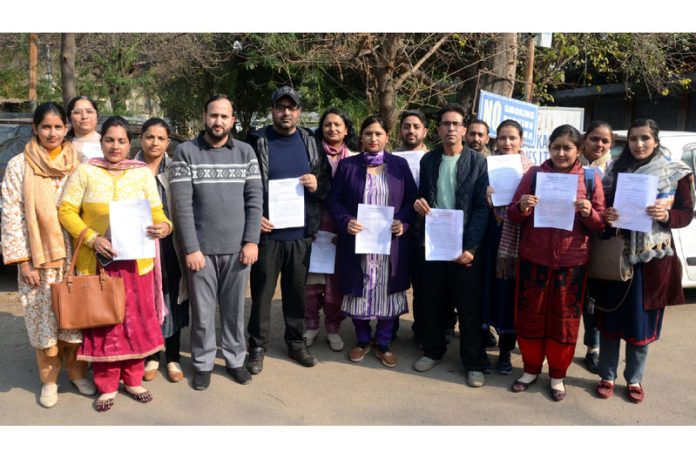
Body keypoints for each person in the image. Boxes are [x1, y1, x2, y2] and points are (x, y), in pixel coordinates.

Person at [59, 116, 171, 412]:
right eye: (109, 140)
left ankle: (133, 379)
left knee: (135, 322)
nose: (115, 146)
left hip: (137, 264)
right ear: (101, 142)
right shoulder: (86, 171)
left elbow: (157, 211)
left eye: (122, 141)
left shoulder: (142, 173)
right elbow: (67, 211)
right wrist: (93, 238)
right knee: (105, 324)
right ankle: (106, 385)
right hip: (99, 263)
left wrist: (165, 226)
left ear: (129, 143)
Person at [591, 119, 693, 403]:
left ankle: (634, 379)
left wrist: (667, 216)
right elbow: (602, 207)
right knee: (610, 319)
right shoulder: (612, 170)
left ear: (655, 141)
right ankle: (607, 375)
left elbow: (686, 213)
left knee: (641, 325)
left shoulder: (676, 173)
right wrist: (607, 214)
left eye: (645, 138)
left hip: (652, 261)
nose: (638, 144)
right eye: (634, 139)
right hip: (616, 256)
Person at [1, 102, 94, 408]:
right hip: (38, 258)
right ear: (35, 129)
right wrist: (23, 261)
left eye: (57, 127)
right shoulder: (19, 165)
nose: (52, 133)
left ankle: (77, 372)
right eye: (46, 127)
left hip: (73, 255)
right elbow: (11, 215)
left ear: (66, 128)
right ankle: (49, 379)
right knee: (44, 320)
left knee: (74, 319)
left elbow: (88, 207)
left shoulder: (77, 162)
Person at [169, 95, 262, 390]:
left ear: (232, 120)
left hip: (238, 251)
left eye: (224, 116)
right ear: (204, 117)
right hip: (202, 253)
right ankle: (203, 363)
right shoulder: (186, 152)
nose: (218, 121)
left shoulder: (246, 152)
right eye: (213, 115)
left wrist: (251, 241)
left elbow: (254, 200)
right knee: (203, 313)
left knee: (234, 311)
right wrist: (191, 249)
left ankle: (235, 360)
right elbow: (182, 207)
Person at [507, 124, 606, 402]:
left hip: (571, 262)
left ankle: (558, 375)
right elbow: (514, 215)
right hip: (534, 258)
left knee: (565, 322)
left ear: (579, 149)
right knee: (529, 316)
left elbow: (600, 224)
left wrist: (588, 212)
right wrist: (523, 205)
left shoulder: (589, 178)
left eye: (568, 148)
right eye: (556, 147)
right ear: (549, 148)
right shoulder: (535, 175)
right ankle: (530, 369)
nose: (561, 153)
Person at [245, 86, 332, 374]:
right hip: (267, 234)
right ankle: (257, 347)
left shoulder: (310, 140)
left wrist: (317, 185)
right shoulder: (256, 141)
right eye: (280, 107)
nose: (286, 112)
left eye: (291, 107)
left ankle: (295, 342)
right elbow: (243, 186)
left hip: (300, 234)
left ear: (298, 111)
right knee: (262, 294)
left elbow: (326, 181)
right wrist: (253, 218)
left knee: (296, 293)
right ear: (272, 110)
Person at [327, 115, 417, 367]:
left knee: (387, 291)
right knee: (360, 290)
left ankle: (384, 342)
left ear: (387, 136)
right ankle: (363, 339)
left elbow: (412, 199)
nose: (373, 138)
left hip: (390, 243)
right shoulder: (348, 167)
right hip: (358, 242)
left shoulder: (399, 165)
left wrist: (403, 221)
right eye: (368, 134)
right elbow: (334, 200)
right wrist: (345, 221)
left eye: (378, 134)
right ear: (361, 137)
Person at [411, 103, 490, 388]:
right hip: (434, 244)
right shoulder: (429, 160)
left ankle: (474, 362)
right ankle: (433, 350)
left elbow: (481, 209)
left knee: (468, 307)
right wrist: (419, 205)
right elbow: (423, 196)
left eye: (456, 124)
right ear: (438, 129)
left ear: (465, 130)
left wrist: (471, 248)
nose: (451, 129)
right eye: (446, 124)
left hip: (464, 247)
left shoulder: (477, 162)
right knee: (433, 300)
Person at [135, 118, 189, 384]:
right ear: (141, 138)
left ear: (168, 142)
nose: (154, 142)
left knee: (173, 298)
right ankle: (152, 354)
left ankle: (174, 356)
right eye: (149, 137)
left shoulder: (177, 169)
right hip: (139, 244)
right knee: (147, 299)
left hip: (172, 244)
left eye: (160, 138)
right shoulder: (129, 169)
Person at [480, 120, 533, 375]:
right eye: (502, 138)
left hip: (517, 244)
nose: (507, 143)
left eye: (512, 138)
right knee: (486, 294)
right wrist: (485, 197)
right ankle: (479, 350)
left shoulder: (532, 171)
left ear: (521, 140)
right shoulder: (485, 166)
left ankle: (504, 355)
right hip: (490, 239)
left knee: (509, 298)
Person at [303, 108, 358, 352]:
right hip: (315, 228)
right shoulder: (310, 156)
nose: (333, 129)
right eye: (328, 125)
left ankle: (333, 327)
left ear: (346, 129)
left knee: (335, 284)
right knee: (312, 284)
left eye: (338, 124)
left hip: (343, 231)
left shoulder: (356, 159)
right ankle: (311, 325)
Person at [578, 120, 614, 374]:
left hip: (602, 243)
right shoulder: (570, 164)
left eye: (605, 141)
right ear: (584, 139)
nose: (599, 144)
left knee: (594, 300)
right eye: (594, 138)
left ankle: (594, 348)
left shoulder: (616, 170)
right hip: (570, 241)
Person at [392, 109, 429, 344]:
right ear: (400, 130)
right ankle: (390, 326)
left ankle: (422, 331)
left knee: (424, 287)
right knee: (395, 280)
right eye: (406, 126)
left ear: (425, 131)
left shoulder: (433, 158)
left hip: (427, 233)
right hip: (398, 230)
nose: (411, 131)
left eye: (416, 126)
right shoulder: (391, 160)